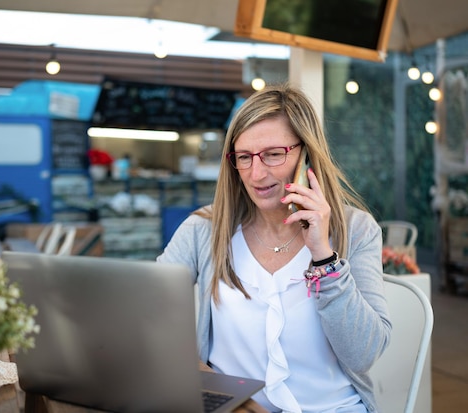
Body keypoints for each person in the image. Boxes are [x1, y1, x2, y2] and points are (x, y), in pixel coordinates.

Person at [157, 83, 391, 413]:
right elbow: (147, 314)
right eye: (244, 157)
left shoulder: (356, 230)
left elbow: (364, 353)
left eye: (273, 154)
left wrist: (323, 256)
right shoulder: (205, 230)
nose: (256, 173)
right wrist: (211, 385)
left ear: (306, 154)